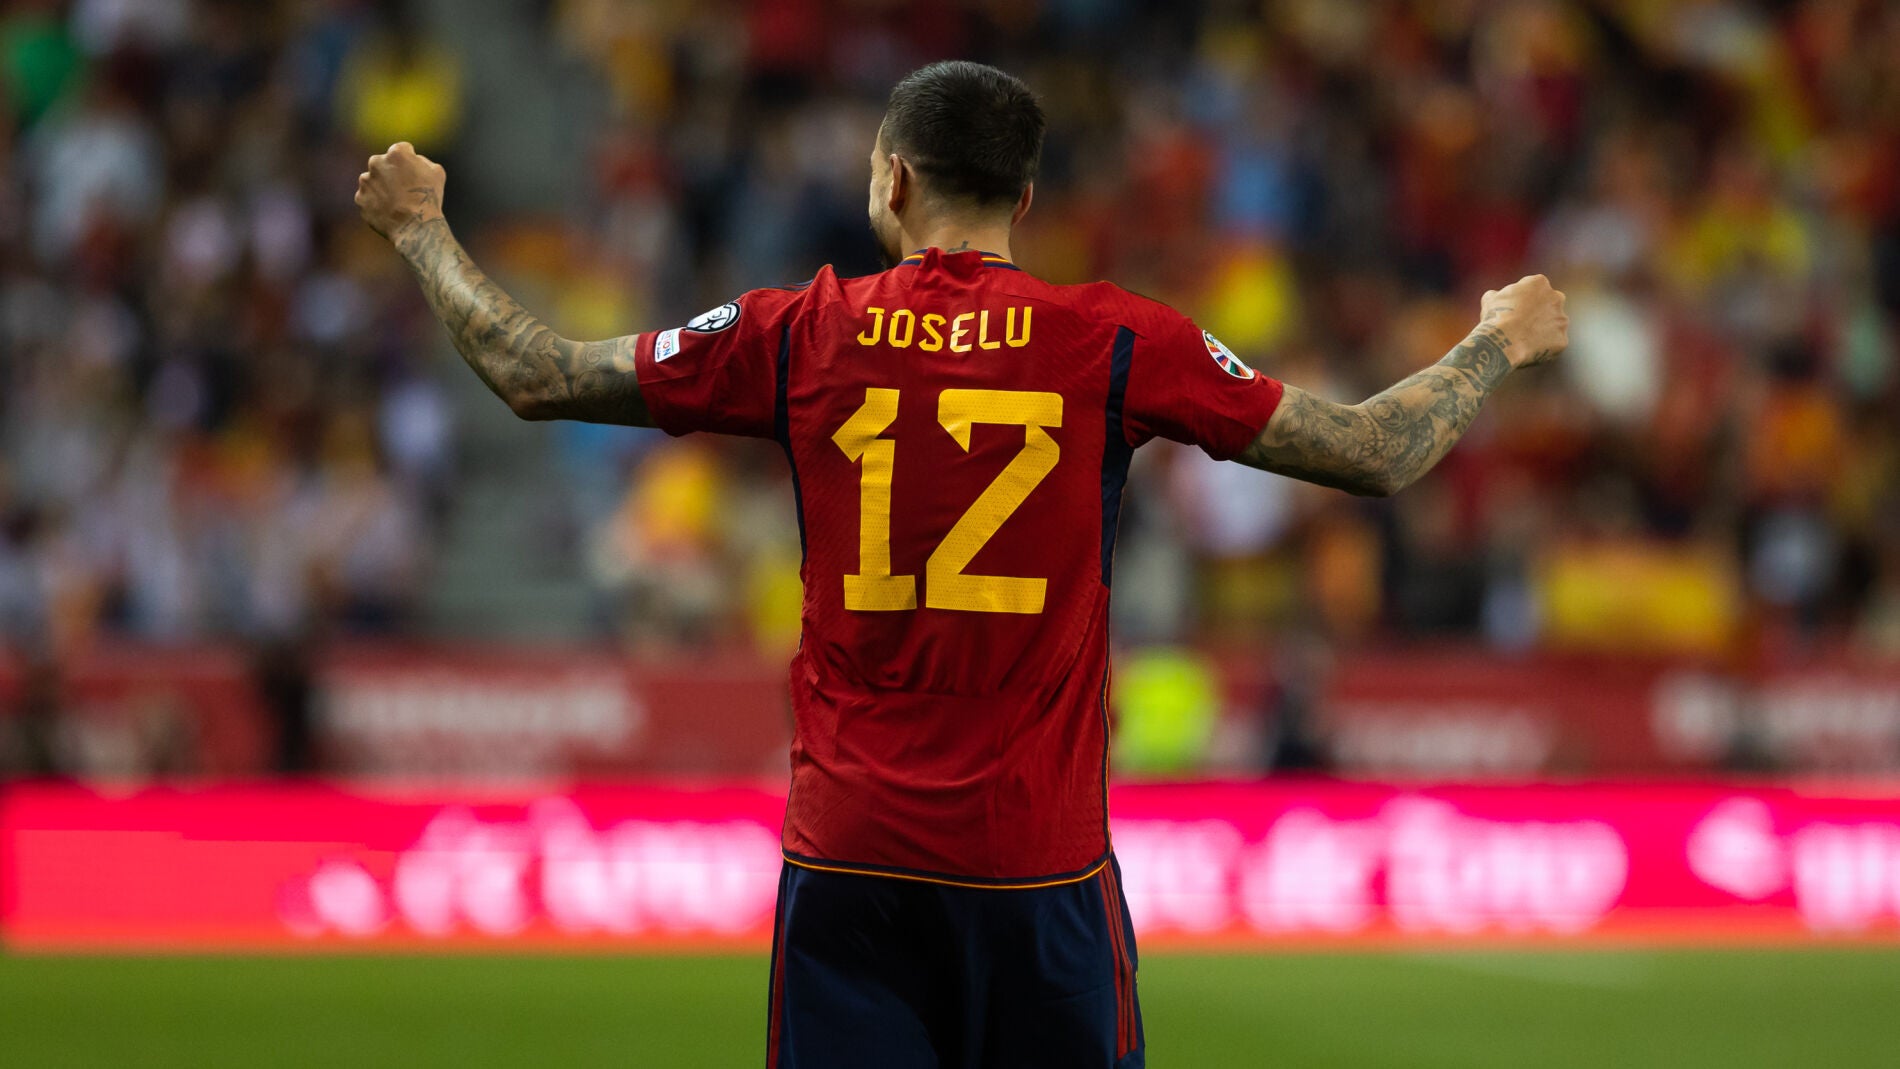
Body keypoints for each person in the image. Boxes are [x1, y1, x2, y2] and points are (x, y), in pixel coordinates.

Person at [356, 60, 1566, 1069]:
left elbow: (535, 373)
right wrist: (1493, 343)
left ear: (891, 177)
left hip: (850, 860)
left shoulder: (801, 332)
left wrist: (420, 229)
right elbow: (1371, 451)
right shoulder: (1114, 341)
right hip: (1036, 866)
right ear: (1024, 195)